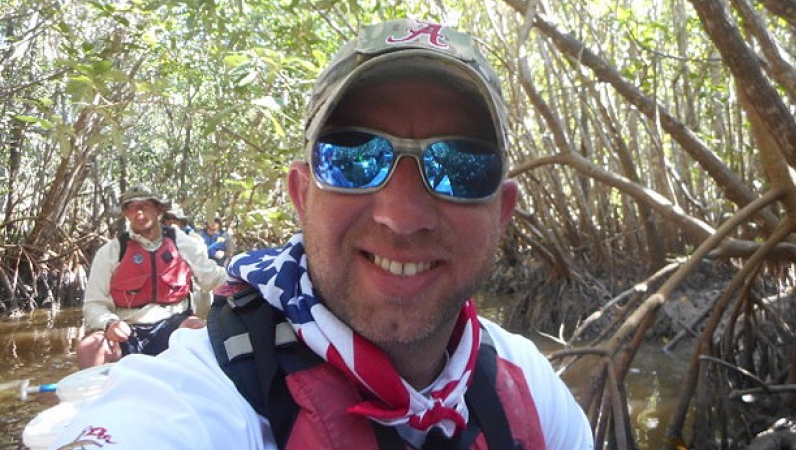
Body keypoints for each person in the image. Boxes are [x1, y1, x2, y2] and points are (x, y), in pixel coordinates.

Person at [50, 19, 594, 449]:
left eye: (461, 165)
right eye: (354, 158)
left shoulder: (535, 394)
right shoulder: (206, 395)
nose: (402, 217)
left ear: (502, 212)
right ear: (301, 194)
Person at [75, 184, 226, 368]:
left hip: (176, 322)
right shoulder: (111, 252)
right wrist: (109, 323)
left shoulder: (182, 242)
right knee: (89, 348)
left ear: (158, 209)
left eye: (144, 206)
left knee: (203, 333)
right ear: (126, 214)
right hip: (128, 327)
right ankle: (101, 394)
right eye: (131, 207)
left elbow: (214, 279)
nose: (138, 212)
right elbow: (94, 304)